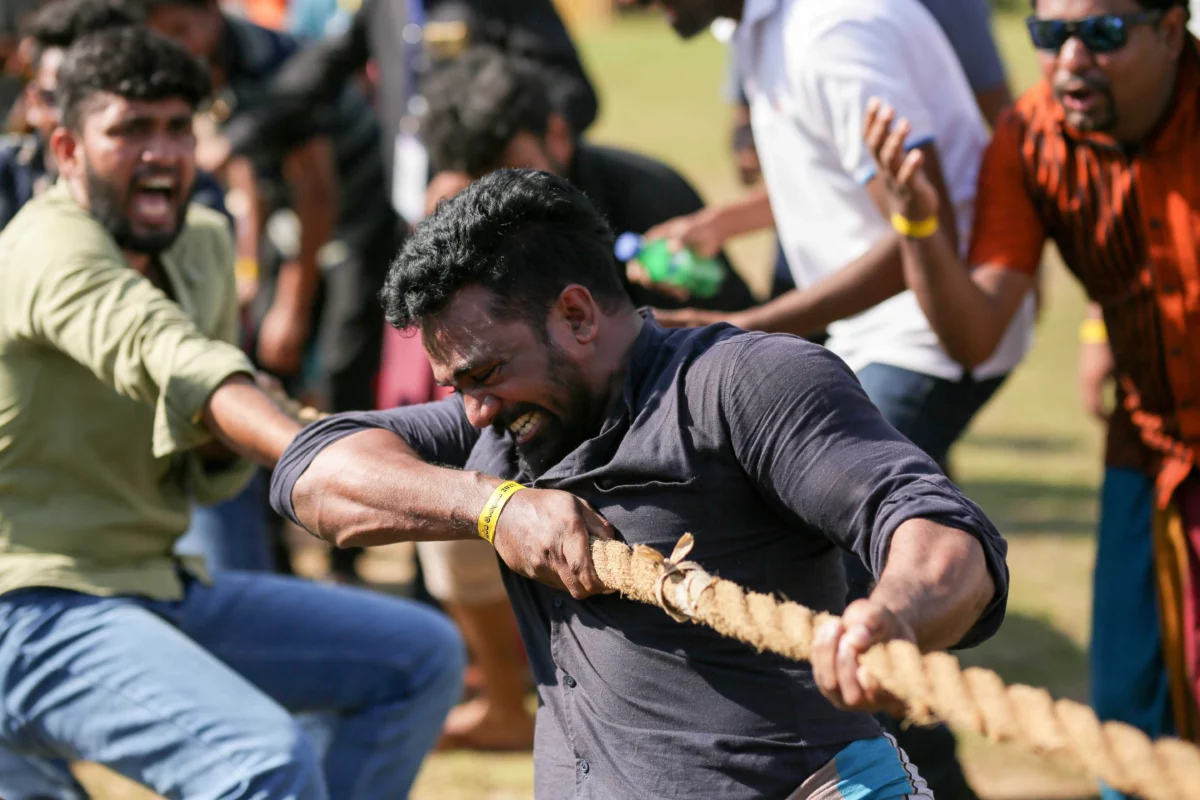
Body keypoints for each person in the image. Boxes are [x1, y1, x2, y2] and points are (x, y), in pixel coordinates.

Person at [268, 167, 1012, 799]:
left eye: (486, 373)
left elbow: (939, 529)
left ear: (577, 315)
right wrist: (496, 508)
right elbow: (314, 473)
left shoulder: (744, 384)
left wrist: (898, 615)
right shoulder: (500, 421)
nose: (473, 408)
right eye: (455, 385)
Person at [0, 26, 463, 798]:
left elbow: (204, 456)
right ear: (67, 150)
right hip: (29, 607)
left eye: (178, 127)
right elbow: (174, 357)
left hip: (157, 584)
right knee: (261, 761)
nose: (162, 153)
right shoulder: (45, 248)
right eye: (129, 130)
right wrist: (312, 451)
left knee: (420, 657)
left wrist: (248, 442)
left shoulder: (203, 244)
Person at [640, 0, 1037, 790]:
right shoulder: (767, 29)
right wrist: (727, 221)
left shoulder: (836, 33)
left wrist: (747, 324)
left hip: (922, 335)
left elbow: (923, 232)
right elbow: (832, 173)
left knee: (850, 598)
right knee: (858, 591)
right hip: (871, 336)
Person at [861, 0, 1200, 793]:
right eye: (1049, 35)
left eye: (1104, 34)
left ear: (1171, 28)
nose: (1071, 57)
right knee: (1125, 721)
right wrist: (919, 228)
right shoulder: (1032, 138)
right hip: (1150, 447)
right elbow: (975, 332)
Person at [0, 0, 230, 231]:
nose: (71, 116)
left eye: (92, 99)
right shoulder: (6, 172)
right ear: (34, 102)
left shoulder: (184, 191)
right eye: (57, 97)